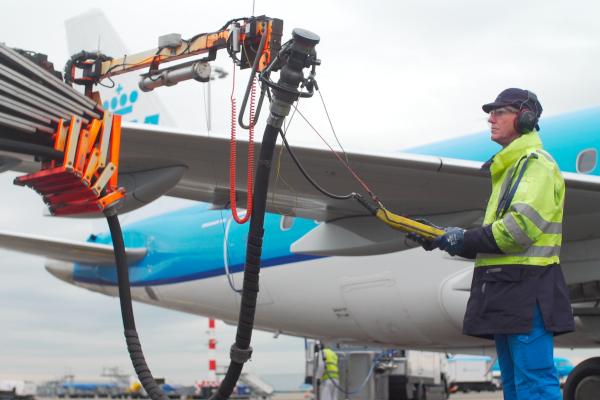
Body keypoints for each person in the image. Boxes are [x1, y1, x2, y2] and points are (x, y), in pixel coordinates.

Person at [407, 88, 574, 400]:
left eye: (500, 112)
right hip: (507, 289)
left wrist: (459, 238)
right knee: (515, 385)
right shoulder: (510, 168)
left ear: (525, 119)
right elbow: (497, 236)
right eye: (491, 112)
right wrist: (445, 238)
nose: (490, 118)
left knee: (533, 383)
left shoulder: (535, 165)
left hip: (528, 291)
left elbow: (516, 231)